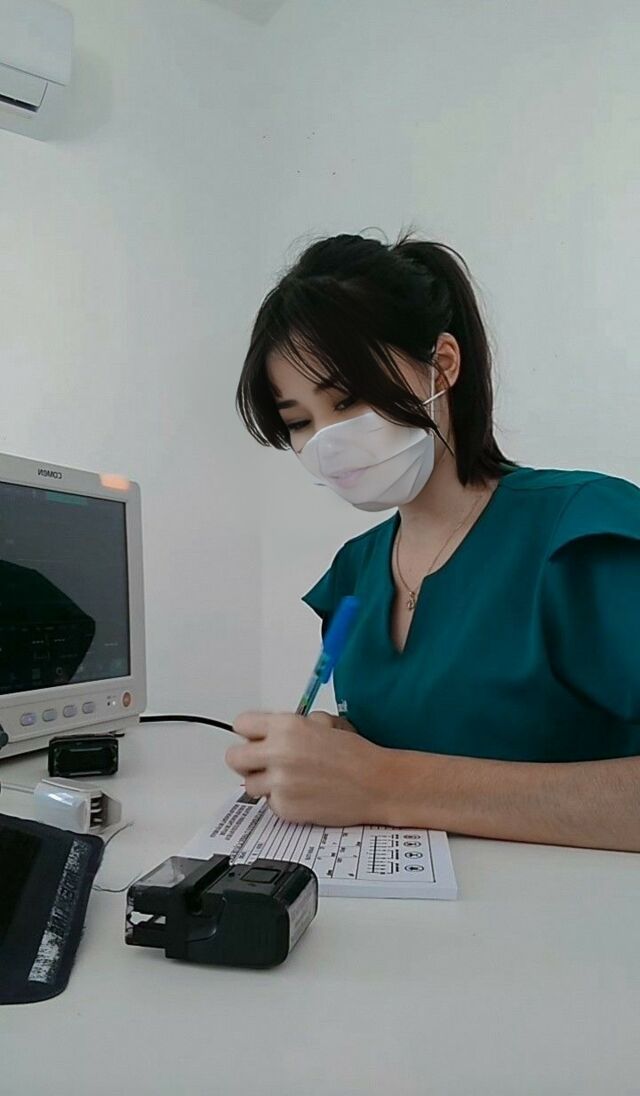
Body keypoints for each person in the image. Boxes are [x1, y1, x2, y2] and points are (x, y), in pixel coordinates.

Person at [226, 227, 640, 852]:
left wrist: (380, 783)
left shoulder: (581, 535)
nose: (328, 441)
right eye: (299, 422)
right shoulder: (355, 574)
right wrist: (334, 754)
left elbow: (394, 779)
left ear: (442, 364)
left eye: (349, 398)